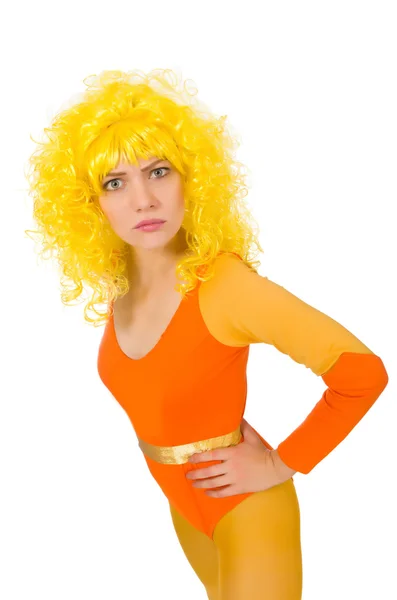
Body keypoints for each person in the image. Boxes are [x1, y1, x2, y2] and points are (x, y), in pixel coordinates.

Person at [25, 68, 389, 600]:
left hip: (247, 508)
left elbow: (362, 373)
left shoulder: (223, 285)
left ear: (191, 179)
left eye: (159, 171)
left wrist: (281, 462)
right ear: (89, 204)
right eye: (114, 182)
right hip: (185, 509)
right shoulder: (123, 290)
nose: (143, 200)